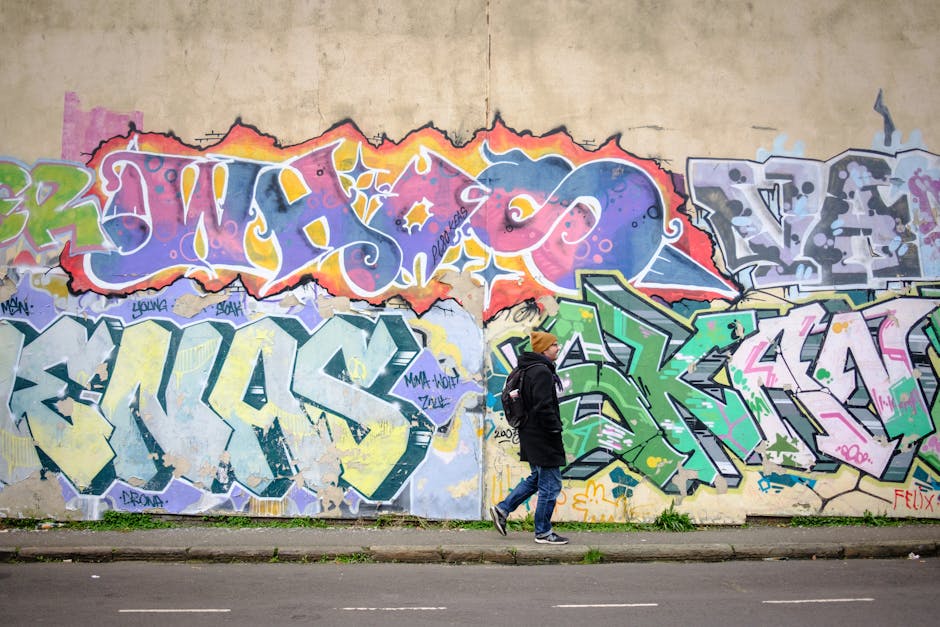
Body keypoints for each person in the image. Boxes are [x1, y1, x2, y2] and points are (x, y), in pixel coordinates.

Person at [490, 330, 568, 545]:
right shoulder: (541, 371)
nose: (557, 348)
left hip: (530, 433)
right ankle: (543, 532)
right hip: (543, 436)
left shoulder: (528, 368)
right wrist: (555, 429)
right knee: (551, 486)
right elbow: (543, 406)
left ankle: (503, 509)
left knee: (537, 479)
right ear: (543, 349)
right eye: (554, 345)